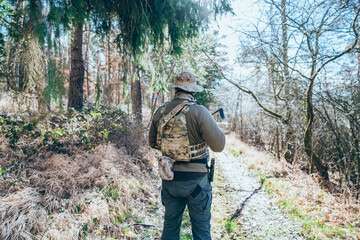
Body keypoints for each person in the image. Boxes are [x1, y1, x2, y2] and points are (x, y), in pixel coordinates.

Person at [148, 71, 225, 240]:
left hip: (170, 180)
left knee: (170, 228)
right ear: (194, 91)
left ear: (176, 89)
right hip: (197, 183)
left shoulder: (160, 112)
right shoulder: (199, 111)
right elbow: (219, 146)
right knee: (202, 232)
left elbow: (153, 143)